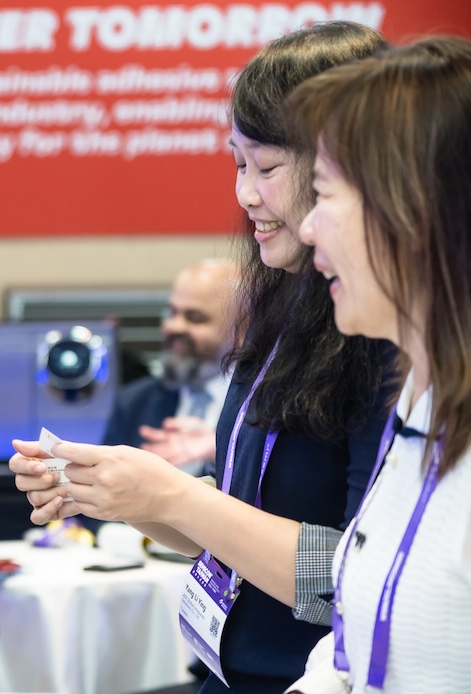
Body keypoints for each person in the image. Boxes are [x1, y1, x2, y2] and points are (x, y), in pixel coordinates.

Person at [11, 22, 395, 694]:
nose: (246, 194)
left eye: (267, 168)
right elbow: (237, 528)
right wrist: (121, 495)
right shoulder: (285, 310)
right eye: (237, 164)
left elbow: (356, 581)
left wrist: (175, 496)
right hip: (229, 670)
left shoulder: (384, 334)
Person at [282, 35, 471, 692]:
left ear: (411, 211)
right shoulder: (419, 403)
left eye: (325, 193)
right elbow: (360, 645)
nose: (307, 228)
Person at [103, 259, 240, 477]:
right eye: (172, 313)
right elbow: (101, 500)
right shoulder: (134, 401)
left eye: (194, 318)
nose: (173, 326)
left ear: (241, 330)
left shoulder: (266, 405)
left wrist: (219, 452)